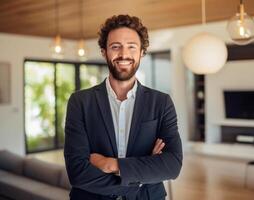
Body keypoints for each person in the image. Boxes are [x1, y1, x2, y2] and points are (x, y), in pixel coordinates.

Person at [64, 14, 182, 200]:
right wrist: (141, 176)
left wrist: (111, 164)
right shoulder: (80, 102)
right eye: (115, 46)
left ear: (142, 52)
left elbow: (172, 165)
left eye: (131, 47)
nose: (124, 54)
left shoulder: (161, 102)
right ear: (104, 52)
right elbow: (77, 171)